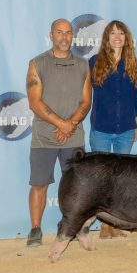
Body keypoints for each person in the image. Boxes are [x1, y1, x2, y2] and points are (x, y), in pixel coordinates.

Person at [25, 18, 92, 247]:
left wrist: (69, 124)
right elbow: (34, 102)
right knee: (39, 184)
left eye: (68, 33)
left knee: (77, 186)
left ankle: (71, 226)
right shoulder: (37, 63)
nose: (64, 37)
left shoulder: (83, 65)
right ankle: (35, 229)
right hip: (44, 137)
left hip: (73, 136)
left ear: (73, 36)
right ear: (51, 35)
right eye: (59, 32)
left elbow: (85, 101)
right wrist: (61, 124)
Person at [89, 20, 137, 237]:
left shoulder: (133, 62)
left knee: (120, 179)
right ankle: (104, 224)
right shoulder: (94, 61)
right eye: (112, 33)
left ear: (126, 37)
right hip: (101, 127)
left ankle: (114, 225)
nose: (117, 37)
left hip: (126, 128)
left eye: (121, 33)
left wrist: (135, 122)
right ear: (106, 38)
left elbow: (135, 97)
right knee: (101, 179)